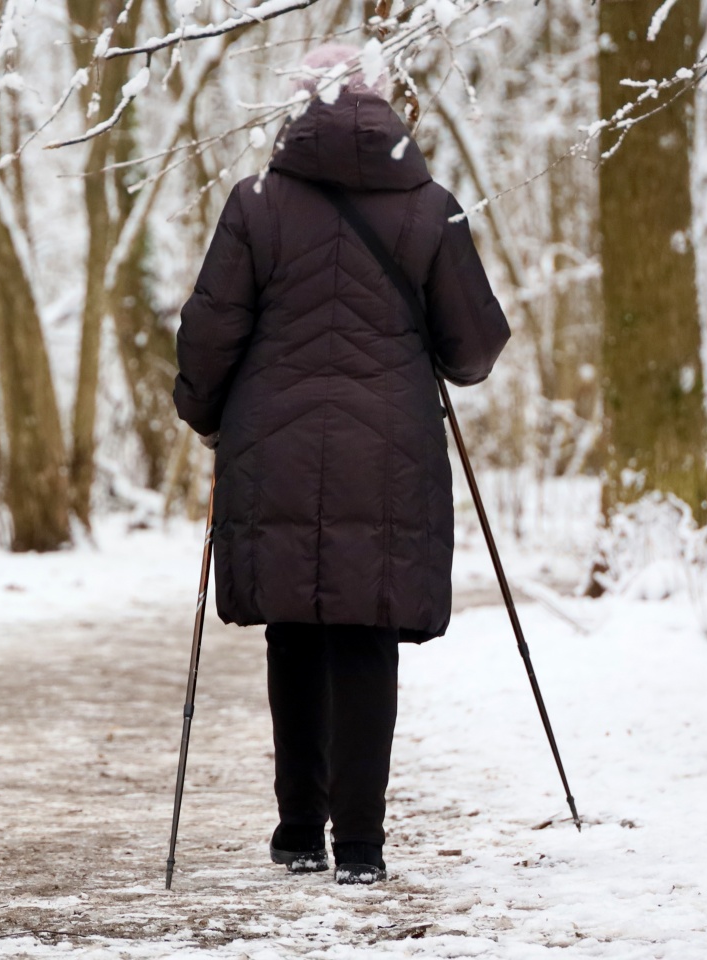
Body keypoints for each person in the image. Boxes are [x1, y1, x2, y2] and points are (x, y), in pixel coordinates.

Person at [172, 46, 511, 885]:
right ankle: (360, 845)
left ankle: (297, 832)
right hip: (390, 448)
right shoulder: (432, 207)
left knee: (294, 630)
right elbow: (472, 351)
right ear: (387, 109)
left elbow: (210, 333)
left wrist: (205, 414)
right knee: (366, 633)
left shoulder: (255, 203)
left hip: (273, 442)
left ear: (298, 110)